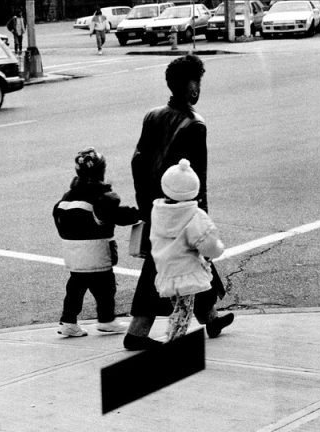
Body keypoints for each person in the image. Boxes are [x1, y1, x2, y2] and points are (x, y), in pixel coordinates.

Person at [124, 54, 234, 351]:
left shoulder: (152, 115)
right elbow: (198, 177)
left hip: (155, 204)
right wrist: (202, 217)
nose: (198, 86)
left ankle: (210, 317)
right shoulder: (194, 124)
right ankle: (137, 331)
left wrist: (145, 202)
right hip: (182, 207)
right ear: (192, 87)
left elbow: (137, 161)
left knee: (188, 263)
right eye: (196, 81)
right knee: (170, 265)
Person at [53, 148, 140, 337]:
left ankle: (68, 321)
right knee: (106, 288)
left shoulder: (68, 196)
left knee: (75, 287)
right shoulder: (101, 197)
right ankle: (106, 320)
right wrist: (139, 214)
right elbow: (120, 216)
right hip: (97, 252)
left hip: (74, 253)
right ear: (101, 170)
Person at [151, 159, 225, 342]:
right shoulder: (194, 215)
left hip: (165, 266)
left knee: (178, 305)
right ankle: (174, 340)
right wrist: (218, 249)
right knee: (184, 310)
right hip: (185, 270)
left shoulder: (158, 210)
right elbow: (208, 244)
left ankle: (177, 334)